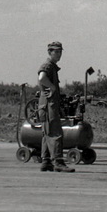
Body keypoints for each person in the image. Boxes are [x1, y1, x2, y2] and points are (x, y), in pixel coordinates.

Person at [37, 41, 73, 172]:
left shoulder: (52, 66)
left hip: (47, 105)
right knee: (55, 133)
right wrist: (52, 87)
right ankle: (58, 162)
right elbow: (42, 78)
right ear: (49, 52)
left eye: (60, 52)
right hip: (48, 105)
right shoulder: (48, 65)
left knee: (46, 133)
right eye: (56, 52)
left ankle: (46, 161)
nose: (59, 54)